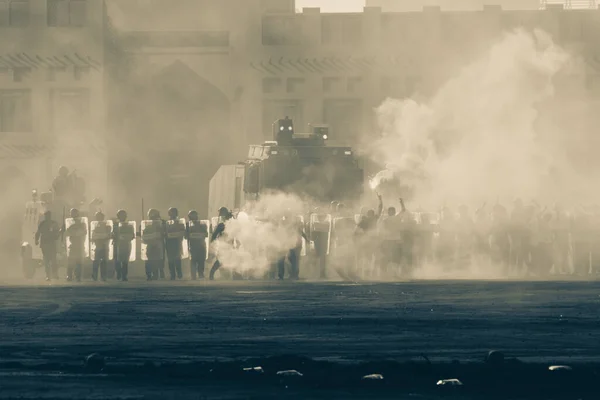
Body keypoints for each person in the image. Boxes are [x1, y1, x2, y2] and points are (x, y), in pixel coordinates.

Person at [209, 206, 233, 280]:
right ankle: (212, 273)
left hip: (229, 244)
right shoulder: (221, 225)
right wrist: (212, 241)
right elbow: (214, 233)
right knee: (221, 260)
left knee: (231, 259)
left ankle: (228, 275)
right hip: (222, 244)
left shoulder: (232, 223)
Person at [35, 211, 60, 281]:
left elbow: (57, 232)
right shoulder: (42, 224)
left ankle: (55, 274)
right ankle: (48, 275)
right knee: (46, 261)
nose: (47, 216)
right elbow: (38, 233)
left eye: (48, 215)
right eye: (46, 215)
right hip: (44, 244)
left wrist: (57, 234)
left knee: (53, 260)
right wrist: (36, 240)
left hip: (52, 243)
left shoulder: (54, 223)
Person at [142, 208, 165, 281]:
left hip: (157, 244)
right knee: (149, 261)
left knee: (156, 260)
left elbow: (164, 232)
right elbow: (143, 234)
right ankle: (149, 275)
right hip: (149, 244)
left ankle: (155, 275)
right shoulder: (147, 225)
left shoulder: (161, 223)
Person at [65, 208, 87, 282]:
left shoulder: (82, 224)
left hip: (80, 244)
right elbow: (67, 233)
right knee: (70, 261)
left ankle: (78, 276)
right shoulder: (70, 224)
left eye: (73, 213)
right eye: (71, 213)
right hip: (73, 244)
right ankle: (69, 276)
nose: (72, 215)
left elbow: (83, 232)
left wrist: (73, 232)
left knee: (79, 262)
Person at [186, 210, 208, 280]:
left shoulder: (202, 224)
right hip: (193, 246)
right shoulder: (187, 225)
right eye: (191, 216)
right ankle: (193, 276)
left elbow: (206, 234)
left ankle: (200, 274)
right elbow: (185, 236)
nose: (192, 217)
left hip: (201, 245)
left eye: (194, 215)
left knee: (201, 260)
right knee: (193, 260)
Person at [90, 211, 112, 282]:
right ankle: (95, 276)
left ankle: (103, 276)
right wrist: (102, 236)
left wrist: (99, 236)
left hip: (105, 246)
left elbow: (108, 235)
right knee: (96, 261)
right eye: (98, 216)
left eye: (100, 216)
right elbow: (93, 236)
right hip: (98, 247)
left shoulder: (107, 226)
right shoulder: (94, 226)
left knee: (104, 262)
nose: (99, 218)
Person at [114, 209, 134, 282]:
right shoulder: (115, 225)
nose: (122, 217)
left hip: (126, 244)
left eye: (123, 215)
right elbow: (112, 234)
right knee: (117, 261)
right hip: (117, 244)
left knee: (125, 261)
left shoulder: (129, 225)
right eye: (121, 215)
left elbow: (132, 235)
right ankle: (119, 272)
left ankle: (124, 276)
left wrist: (126, 237)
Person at [165, 207, 186, 280]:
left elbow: (183, 231)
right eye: (171, 212)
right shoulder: (167, 223)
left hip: (177, 242)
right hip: (169, 243)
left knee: (177, 258)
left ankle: (179, 273)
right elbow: (165, 232)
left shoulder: (180, 222)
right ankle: (172, 275)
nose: (172, 214)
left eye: (173, 212)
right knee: (170, 259)